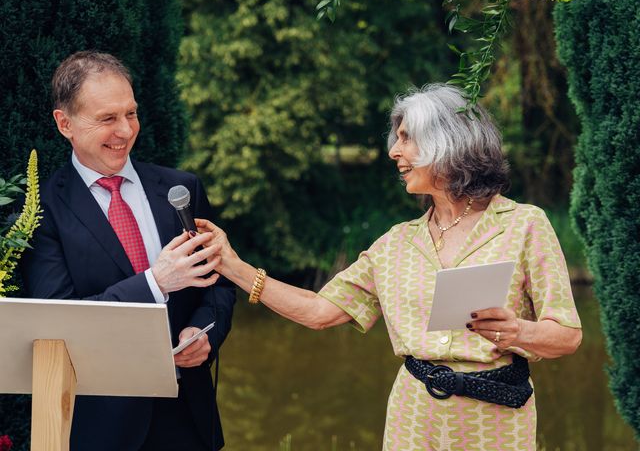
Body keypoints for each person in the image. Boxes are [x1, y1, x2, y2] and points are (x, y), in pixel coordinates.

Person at [196, 84, 582, 450]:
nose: (394, 152)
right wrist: (232, 266)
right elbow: (317, 312)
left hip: (495, 419)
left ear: (445, 142)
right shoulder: (395, 243)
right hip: (413, 418)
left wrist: (518, 331)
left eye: (405, 138)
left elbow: (566, 335)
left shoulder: (524, 224)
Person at [21, 51, 236, 451]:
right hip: (102, 425)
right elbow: (59, 321)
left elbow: (219, 285)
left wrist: (207, 332)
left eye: (131, 114)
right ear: (64, 123)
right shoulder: (40, 210)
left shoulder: (181, 190)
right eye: (107, 118)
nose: (125, 130)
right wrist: (157, 281)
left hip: (188, 415)